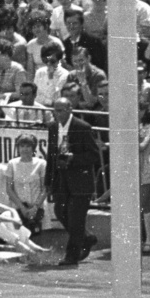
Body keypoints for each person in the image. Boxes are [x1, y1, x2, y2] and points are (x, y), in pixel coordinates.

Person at [48, 97, 101, 265]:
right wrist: (49, 181)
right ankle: (86, 237)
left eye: (61, 110)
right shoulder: (52, 127)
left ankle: (71, 256)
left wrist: (74, 158)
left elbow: (94, 155)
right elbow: (50, 155)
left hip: (80, 179)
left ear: (70, 109)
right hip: (61, 178)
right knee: (60, 211)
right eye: (56, 110)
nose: (58, 114)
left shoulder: (82, 128)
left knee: (76, 218)